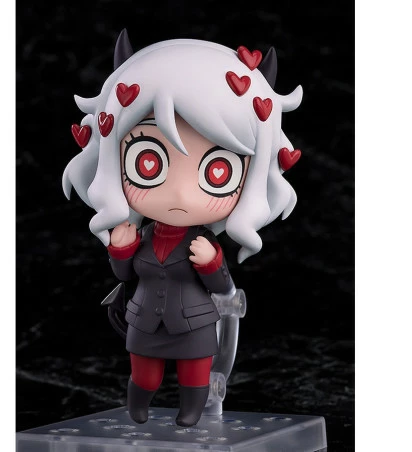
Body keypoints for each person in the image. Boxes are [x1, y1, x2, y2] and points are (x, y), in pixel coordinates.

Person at [62, 29, 303, 427]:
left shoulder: (203, 241)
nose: (180, 193)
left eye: (217, 170)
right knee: (144, 375)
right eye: (148, 162)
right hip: (143, 321)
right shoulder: (143, 236)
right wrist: (121, 248)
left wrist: (211, 262)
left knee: (194, 373)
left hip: (194, 322)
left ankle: (191, 412)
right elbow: (124, 274)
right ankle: (138, 406)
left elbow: (222, 288)